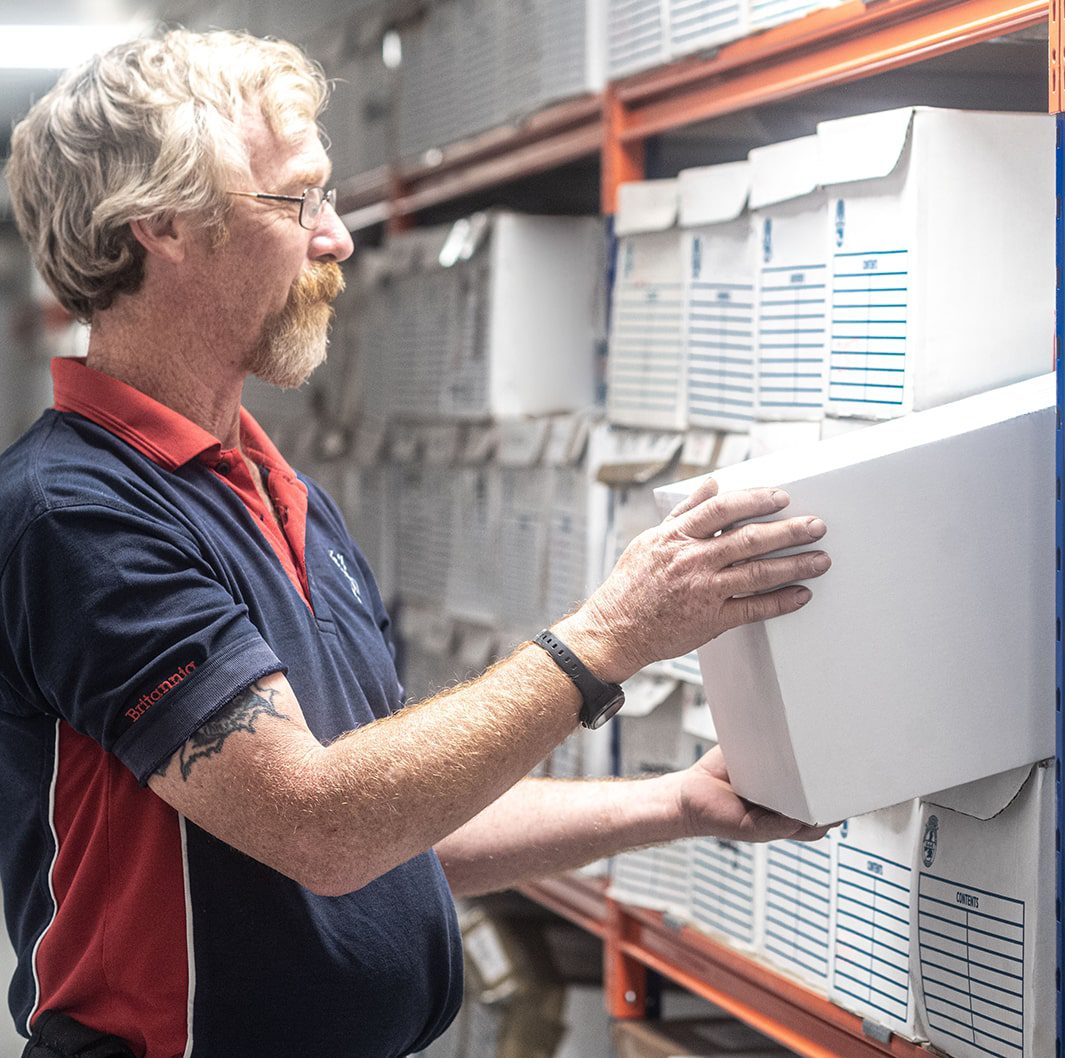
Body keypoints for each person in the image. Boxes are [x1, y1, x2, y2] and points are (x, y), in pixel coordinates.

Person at [0, 28, 832, 1058]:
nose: (337, 238)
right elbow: (321, 825)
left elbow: (396, 820)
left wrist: (675, 800)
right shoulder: (81, 514)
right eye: (297, 200)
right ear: (162, 227)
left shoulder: (279, 492)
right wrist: (611, 634)